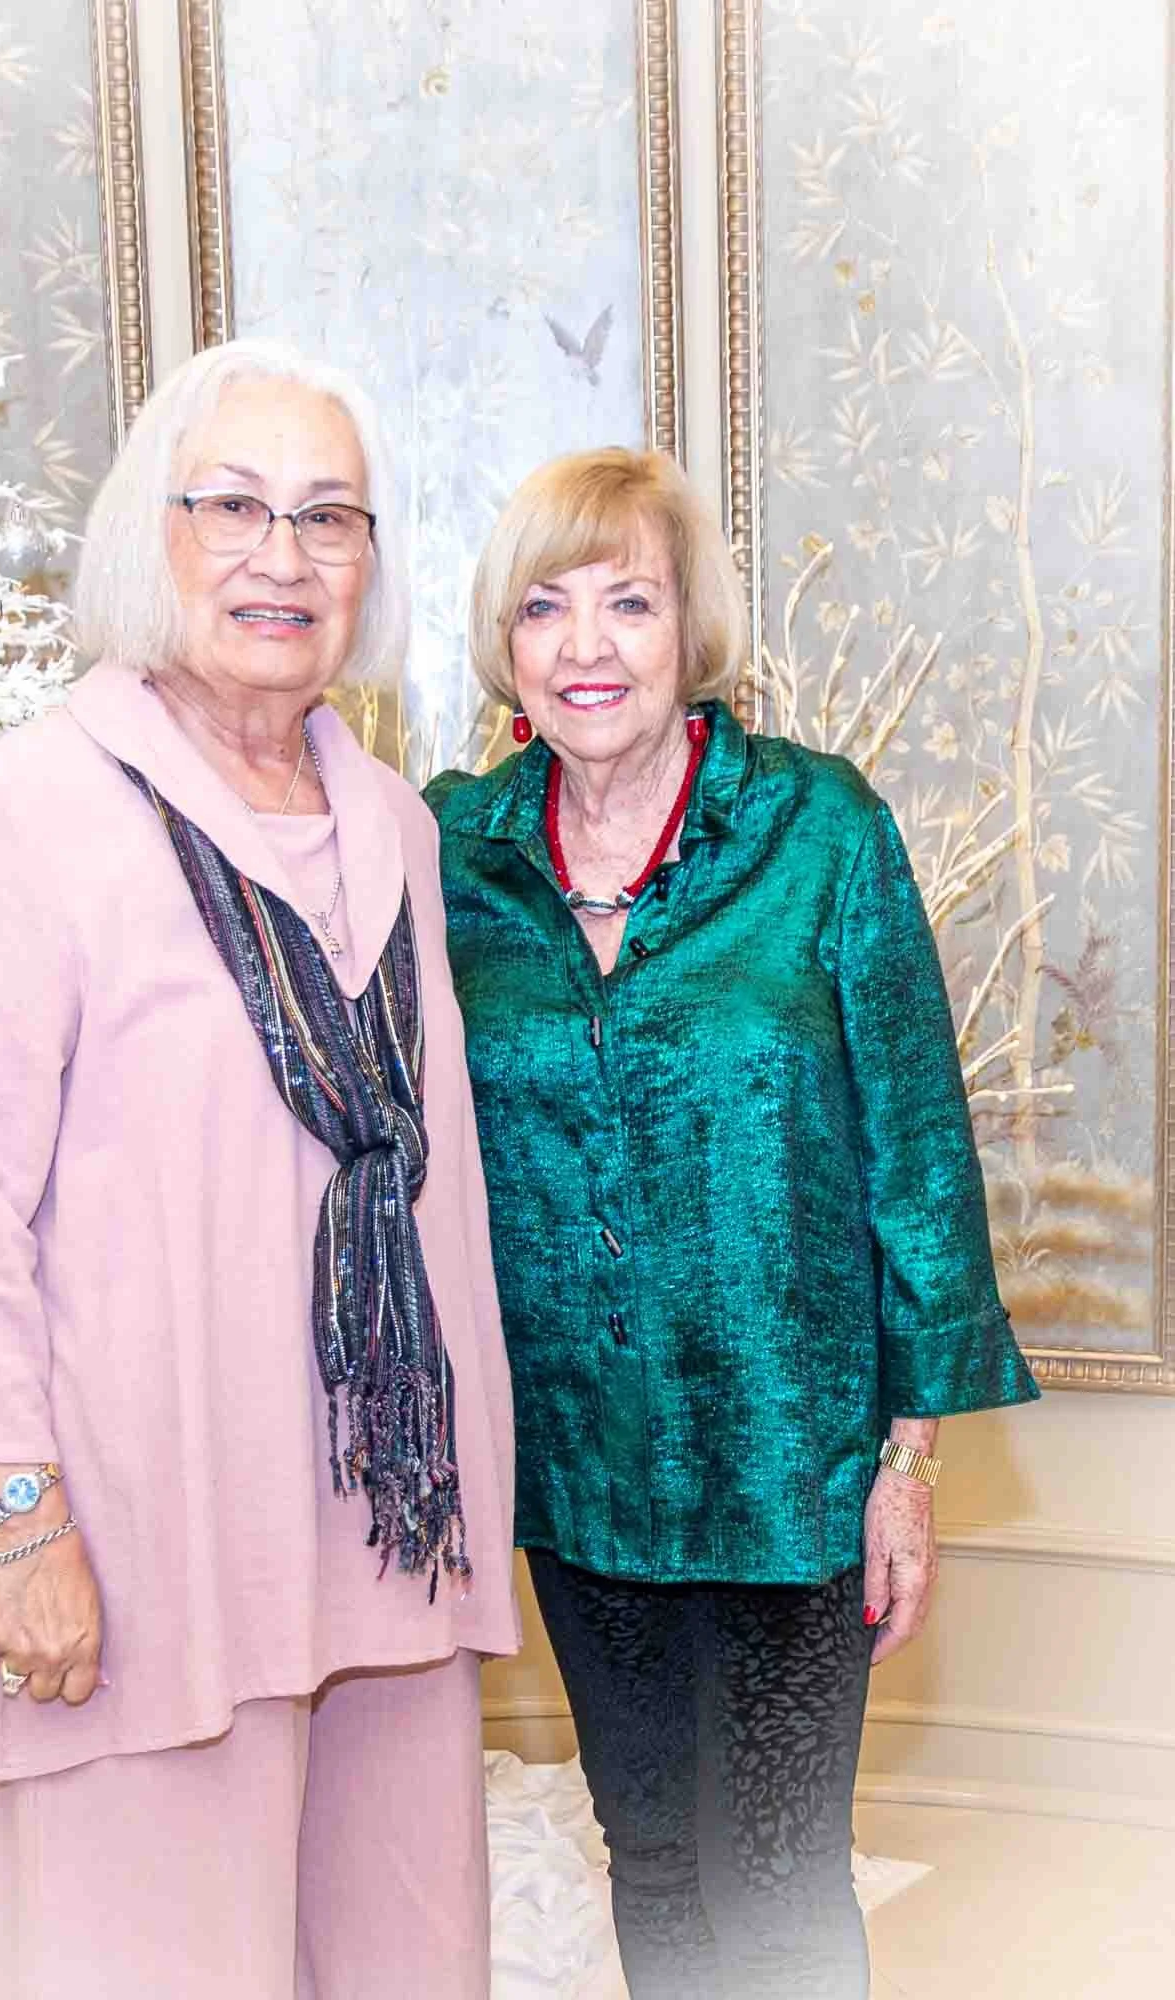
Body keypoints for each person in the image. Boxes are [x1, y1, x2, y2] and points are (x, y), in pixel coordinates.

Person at [0, 337, 518, 2000]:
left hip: (385, 1533)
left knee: (401, 1961)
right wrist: (16, 1526)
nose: (280, 557)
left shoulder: (395, 825)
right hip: (139, 1547)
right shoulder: (32, 811)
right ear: (145, 540)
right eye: (231, 505)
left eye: (327, 516)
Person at [425, 446, 1039, 1999]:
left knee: (775, 1873)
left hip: (791, 1463)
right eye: (546, 608)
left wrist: (908, 1465)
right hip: (577, 1464)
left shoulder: (818, 833)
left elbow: (916, 1152)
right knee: (653, 1849)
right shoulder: (449, 851)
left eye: (628, 602)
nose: (587, 647)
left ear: (689, 630)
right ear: (507, 645)